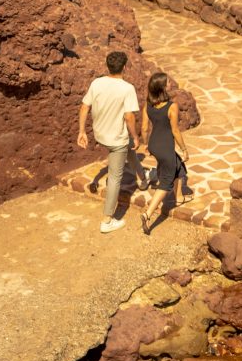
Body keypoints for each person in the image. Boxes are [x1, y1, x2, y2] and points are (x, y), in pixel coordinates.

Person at [78, 51, 141, 234]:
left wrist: (82, 131)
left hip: (100, 135)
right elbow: (129, 117)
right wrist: (136, 136)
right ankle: (107, 220)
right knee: (114, 178)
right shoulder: (127, 88)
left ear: (108, 66)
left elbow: (84, 106)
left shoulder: (96, 83)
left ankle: (143, 178)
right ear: (124, 67)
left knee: (128, 148)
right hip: (116, 140)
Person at [139, 71, 189, 234]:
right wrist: (184, 149)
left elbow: (144, 128)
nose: (170, 83)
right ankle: (147, 214)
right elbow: (175, 131)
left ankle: (178, 197)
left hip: (154, 144)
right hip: (166, 148)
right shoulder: (171, 106)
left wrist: (146, 144)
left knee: (178, 165)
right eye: (167, 82)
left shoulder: (148, 104)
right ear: (162, 87)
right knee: (166, 183)